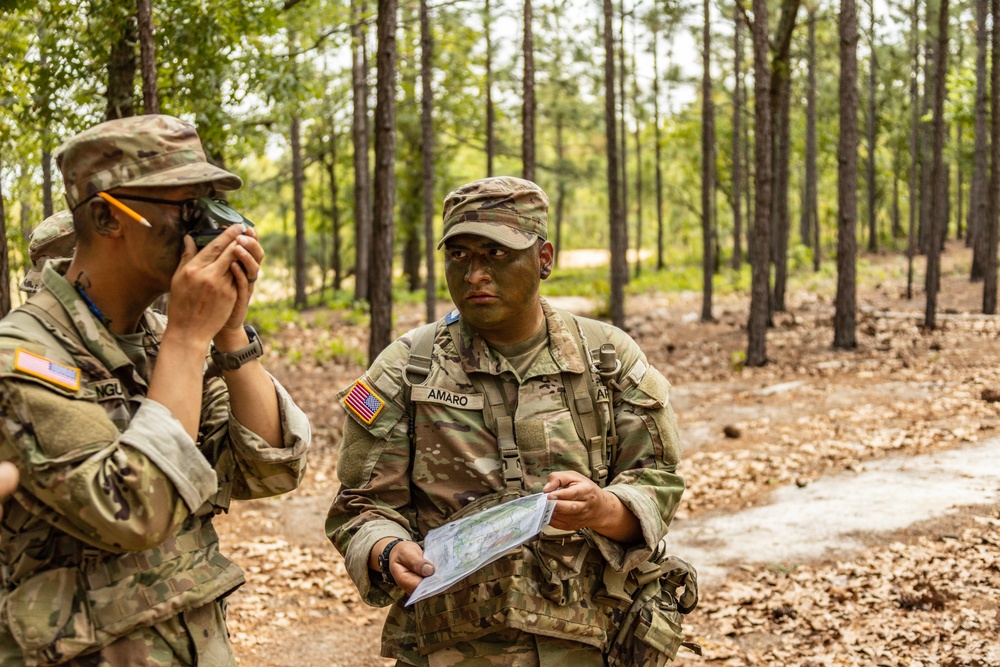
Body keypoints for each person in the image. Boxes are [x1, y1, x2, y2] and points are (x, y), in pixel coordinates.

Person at [327, 176, 685, 666]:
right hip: (453, 646)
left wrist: (602, 508)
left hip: (594, 640)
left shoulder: (606, 357)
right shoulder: (406, 368)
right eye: (459, 255)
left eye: (495, 254)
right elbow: (360, 505)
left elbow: (657, 480)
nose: (474, 274)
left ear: (544, 259)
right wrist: (386, 549)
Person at [0, 114, 311, 666]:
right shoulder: (25, 358)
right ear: (106, 217)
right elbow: (134, 513)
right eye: (186, 207)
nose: (213, 226)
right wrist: (190, 341)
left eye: (210, 204)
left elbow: (268, 467)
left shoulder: (159, 341)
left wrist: (229, 330)